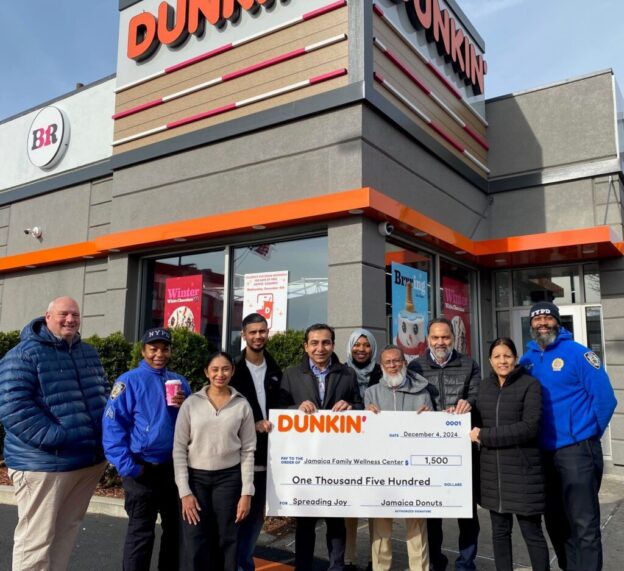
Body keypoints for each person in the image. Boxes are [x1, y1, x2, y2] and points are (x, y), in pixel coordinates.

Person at [0, 296, 108, 571]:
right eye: (63, 314)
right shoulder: (24, 354)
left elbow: (102, 394)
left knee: (64, 535)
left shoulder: (88, 352)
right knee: (35, 541)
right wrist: (59, 437)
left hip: (85, 462)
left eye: (75, 314)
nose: (70, 319)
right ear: (47, 316)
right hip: (44, 464)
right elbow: (12, 407)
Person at [519, 301, 617, 571]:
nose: (542, 324)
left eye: (547, 318)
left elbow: (606, 400)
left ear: (557, 322)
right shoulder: (525, 361)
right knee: (555, 521)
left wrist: (587, 435)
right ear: (531, 325)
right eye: (537, 320)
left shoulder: (578, 354)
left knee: (583, 523)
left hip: (576, 451)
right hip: (542, 454)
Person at [102, 327, 192, 570]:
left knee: (175, 532)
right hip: (141, 468)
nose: (159, 354)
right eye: (153, 349)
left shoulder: (179, 381)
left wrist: (188, 405)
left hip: (173, 470)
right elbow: (112, 426)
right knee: (141, 534)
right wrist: (128, 467)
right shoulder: (128, 381)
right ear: (143, 351)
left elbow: (195, 423)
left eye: (165, 349)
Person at [279, 323, 363, 571]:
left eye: (325, 342)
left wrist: (350, 407)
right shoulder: (291, 374)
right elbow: (279, 409)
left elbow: (359, 406)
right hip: (306, 460)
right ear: (305, 346)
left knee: (336, 520)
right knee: (305, 521)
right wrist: (295, 409)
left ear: (333, 345)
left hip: (337, 461)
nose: (320, 348)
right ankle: (303, 566)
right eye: (314, 343)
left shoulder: (347, 374)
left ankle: (336, 566)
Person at [469, 338, 549, 571]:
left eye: (507, 356)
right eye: (497, 356)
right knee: (499, 534)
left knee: (532, 534)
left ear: (515, 358)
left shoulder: (530, 385)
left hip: (523, 473)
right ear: (490, 360)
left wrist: (485, 436)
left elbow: (529, 427)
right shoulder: (484, 387)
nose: (502, 361)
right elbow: (474, 421)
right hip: (493, 475)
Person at [407, 317, 480, 571]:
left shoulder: (469, 364)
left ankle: (465, 563)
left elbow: (477, 394)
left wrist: (469, 402)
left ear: (453, 338)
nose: (441, 342)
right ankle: (437, 561)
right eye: (436, 337)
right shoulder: (415, 366)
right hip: (429, 449)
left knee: (466, 512)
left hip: (462, 449)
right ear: (428, 339)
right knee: (432, 513)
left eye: (445, 337)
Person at [173, 351, 256, 571]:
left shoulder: (242, 405)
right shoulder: (191, 404)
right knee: (194, 539)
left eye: (225, 369)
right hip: (195, 479)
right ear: (206, 372)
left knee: (227, 539)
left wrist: (247, 493)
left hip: (229, 480)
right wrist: (184, 492)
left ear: (233, 371)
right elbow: (179, 449)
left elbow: (248, 450)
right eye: (215, 369)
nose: (220, 374)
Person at [364, 344, 432, 571]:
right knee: (381, 529)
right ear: (381, 366)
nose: (393, 366)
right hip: (382, 471)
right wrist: (366, 416)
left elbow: (432, 431)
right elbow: (365, 434)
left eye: (397, 361)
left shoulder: (422, 392)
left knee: (416, 527)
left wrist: (430, 418)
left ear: (404, 362)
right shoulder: (371, 393)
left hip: (413, 470)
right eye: (388, 362)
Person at [229, 313, 282, 571]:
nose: (258, 336)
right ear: (244, 335)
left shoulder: (276, 370)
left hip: (266, 459)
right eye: (253, 332)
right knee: (235, 519)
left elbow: (284, 406)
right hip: (236, 459)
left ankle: (243, 565)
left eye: (262, 331)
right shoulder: (232, 371)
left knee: (255, 521)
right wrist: (254, 424)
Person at [343, 328, 382, 570]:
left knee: (376, 507)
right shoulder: (341, 372)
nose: (361, 349)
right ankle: (348, 559)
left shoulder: (382, 371)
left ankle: (375, 561)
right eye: (357, 345)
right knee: (350, 507)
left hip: (377, 448)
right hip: (349, 448)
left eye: (366, 345)